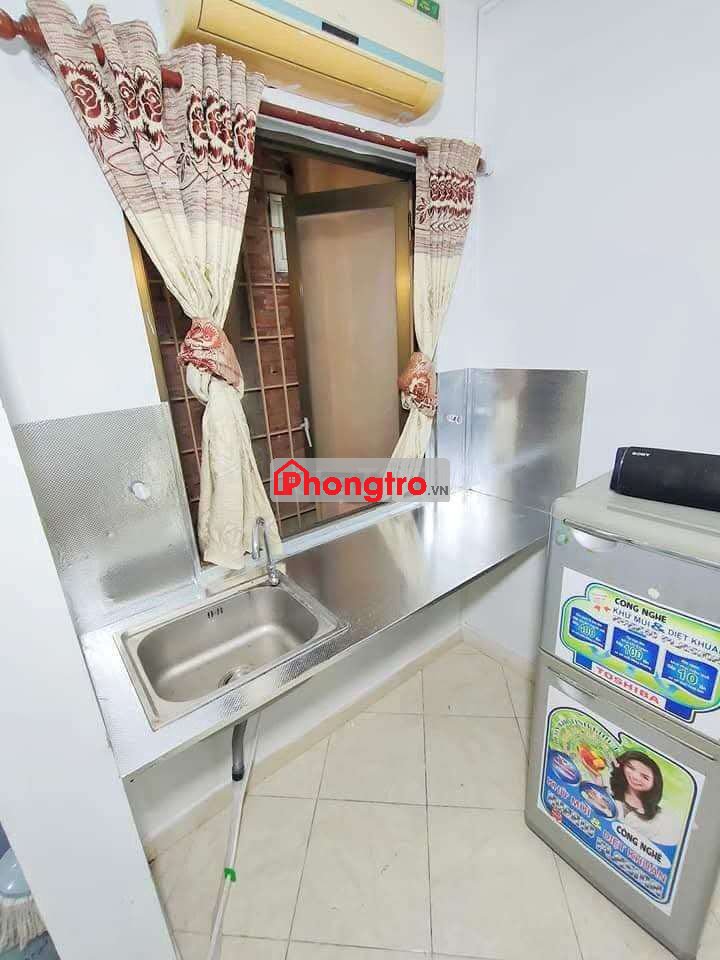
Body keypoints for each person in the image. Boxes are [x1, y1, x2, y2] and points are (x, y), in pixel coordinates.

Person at [609, 751, 679, 846]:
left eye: (645, 777)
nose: (635, 777)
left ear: (655, 783)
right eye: (630, 768)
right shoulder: (609, 790)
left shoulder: (660, 817)